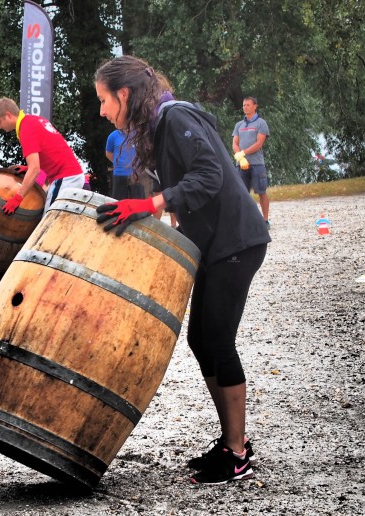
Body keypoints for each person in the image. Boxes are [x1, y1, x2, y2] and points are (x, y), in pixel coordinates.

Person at [93, 55, 271, 485]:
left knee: (218, 340)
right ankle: (233, 441)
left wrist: (151, 203)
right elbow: (190, 189)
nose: (101, 111)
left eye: (103, 100)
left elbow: (209, 175)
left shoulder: (174, 116)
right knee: (200, 339)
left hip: (237, 241)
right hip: (212, 245)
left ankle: (237, 452)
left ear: (124, 94)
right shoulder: (158, 126)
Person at [0, 97, 84, 216]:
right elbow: (51, 153)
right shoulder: (33, 120)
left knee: (48, 223)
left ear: (8, 115)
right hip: (69, 176)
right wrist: (28, 168)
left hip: (66, 178)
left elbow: (35, 169)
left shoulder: (26, 129)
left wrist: (18, 198)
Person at [232, 97, 271, 227]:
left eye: (248, 105)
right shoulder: (239, 125)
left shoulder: (261, 123)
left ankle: (265, 220)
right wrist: (240, 157)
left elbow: (259, 143)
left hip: (257, 164)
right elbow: (235, 143)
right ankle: (245, 221)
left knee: (261, 191)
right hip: (241, 165)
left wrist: (244, 152)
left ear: (255, 106)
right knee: (242, 194)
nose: (245, 107)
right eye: (243, 105)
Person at [106, 129, 136, 200]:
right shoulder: (113, 136)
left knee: (139, 203)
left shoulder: (139, 133)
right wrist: (119, 163)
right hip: (119, 174)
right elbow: (108, 153)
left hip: (137, 175)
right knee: (119, 203)